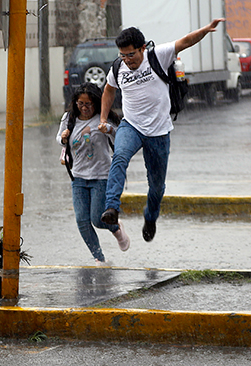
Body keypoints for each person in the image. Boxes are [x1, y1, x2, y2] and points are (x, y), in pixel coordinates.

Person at [99, 19, 225, 242]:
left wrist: (205, 30)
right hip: (132, 126)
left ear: (142, 48)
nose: (127, 60)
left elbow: (186, 41)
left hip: (158, 131)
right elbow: (109, 90)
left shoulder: (158, 55)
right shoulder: (118, 67)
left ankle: (150, 217)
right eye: (123, 55)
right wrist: (102, 117)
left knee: (156, 186)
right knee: (119, 157)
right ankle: (112, 209)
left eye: (131, 55)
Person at [57, 82, 130, 266]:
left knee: (98, 219)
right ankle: (99, 258)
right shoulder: (69, 118)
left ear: (96, 103)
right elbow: (60, 138)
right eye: (80, 104)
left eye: (88, 104)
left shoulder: (102, 118)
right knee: (82, 221)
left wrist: (109, 129)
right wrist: (63, 137)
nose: (84, 108)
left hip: (101, 176)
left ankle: (116, 228)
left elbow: (119, 138)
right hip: (78, 177)